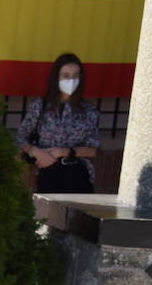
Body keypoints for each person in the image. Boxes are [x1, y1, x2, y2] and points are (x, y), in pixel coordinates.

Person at [16, 52, 100, 194]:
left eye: (75, 76)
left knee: (80, 216)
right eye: (66, 76)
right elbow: (20, 137)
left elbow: (93, 150)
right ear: (57, 77)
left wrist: (64, 152)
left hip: (77, 173)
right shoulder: (40, 106)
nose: (71, 80)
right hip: (48, 172)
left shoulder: (88, 111)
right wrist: (35, 151)